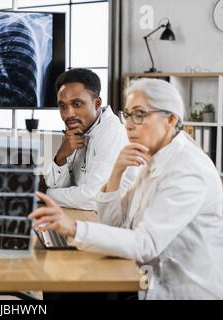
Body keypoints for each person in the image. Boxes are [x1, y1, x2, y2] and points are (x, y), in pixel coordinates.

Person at [31, 78, 223, 299]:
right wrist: (116, 173)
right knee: (64, 283)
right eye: (128, 114)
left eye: (140, 115)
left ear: (170, 120)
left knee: (67, 285)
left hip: (178, 291)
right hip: (146, 277)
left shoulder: (187, 170)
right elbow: (114, 224)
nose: (129, 125)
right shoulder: (152, 156)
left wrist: (73, 227)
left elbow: (145, 244)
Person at [44, 68, 136, 210]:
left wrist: (47, 195)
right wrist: (61, 156)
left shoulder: (112, 133)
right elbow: (62, 186)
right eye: (62, 106)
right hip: (85, 216)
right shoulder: (76, 132)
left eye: (77, 104)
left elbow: (94, 198)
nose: (69, 114)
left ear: (97, 103)